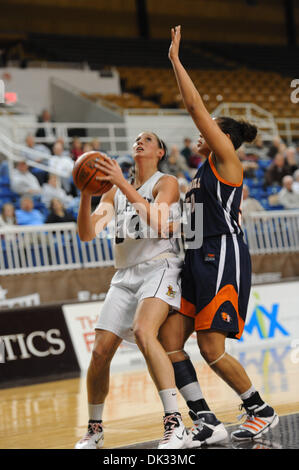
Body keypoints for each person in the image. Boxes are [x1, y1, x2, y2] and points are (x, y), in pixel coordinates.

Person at [158, 25, 279, 446]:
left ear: (222, 137)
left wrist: (175, 60)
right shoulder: (198, 173)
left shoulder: (226, 160)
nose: (200, 133)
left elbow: (194, 107)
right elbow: (190, 222)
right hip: (195, 256)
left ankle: (259, 408)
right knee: (168, 341)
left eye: (210, 129)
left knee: (211, 348)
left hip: (221, 255)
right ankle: (206, 419)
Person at [75, 131, 190, 450]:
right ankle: (94, 430)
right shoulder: (112, 190)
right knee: (99, 353)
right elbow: (87, 233)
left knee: (143, 331)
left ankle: (175, 424)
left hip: (160, 265)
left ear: (160, 150)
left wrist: (121, 184)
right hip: (125, 275)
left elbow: (158, 222)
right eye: (137, 139)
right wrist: (86, 193)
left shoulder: (165, 182)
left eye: (148, 139)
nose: (140, 142)